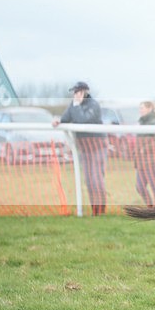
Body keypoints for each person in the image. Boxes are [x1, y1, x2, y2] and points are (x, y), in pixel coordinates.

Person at [52, 81, 108, 215]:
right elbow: (66, 117)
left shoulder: (93, 105)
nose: (75, 95)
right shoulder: (74, 105)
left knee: (96, 179)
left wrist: (76, 106)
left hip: (97, 147)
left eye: (78, 92)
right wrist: (58, 120)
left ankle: (101, 209)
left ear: (85, 92)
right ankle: (95, 209)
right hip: (84, 148)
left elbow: (83, 120)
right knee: (89, 180)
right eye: (75, 92)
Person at [134, 100, 155, 207]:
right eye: (140, 108)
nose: (140, 110)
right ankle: (150, 207)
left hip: (152, 162)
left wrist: (144, 149)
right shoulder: (141, 123)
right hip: (141, 163)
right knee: (139, 187)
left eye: (142, 108)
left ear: (149, 108)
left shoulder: (154, 123)